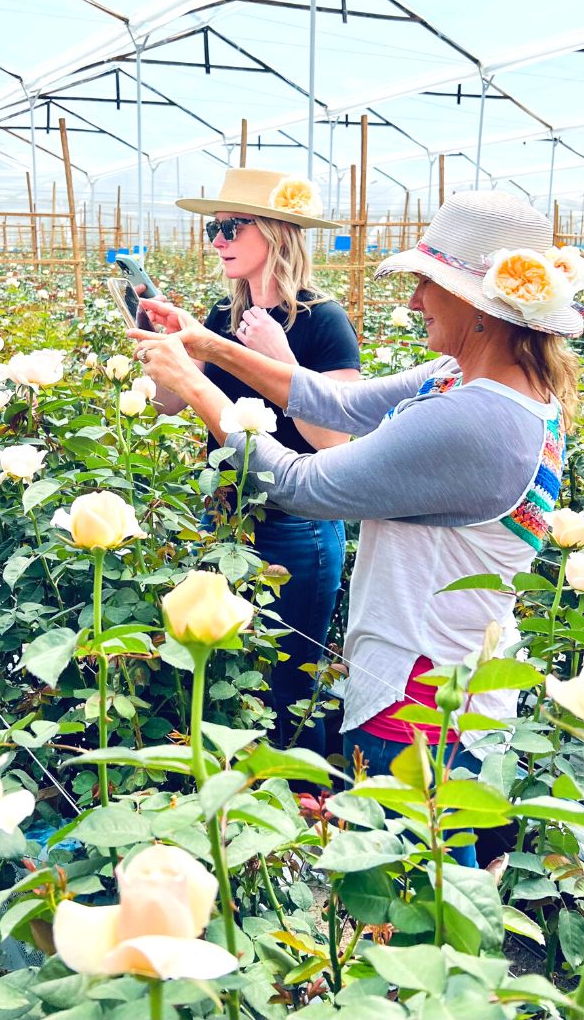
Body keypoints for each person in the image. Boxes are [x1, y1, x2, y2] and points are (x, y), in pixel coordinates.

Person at [133, 192, 584, 863]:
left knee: (409, 905)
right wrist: (204, 344)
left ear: (479, 307)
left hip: (419, 707)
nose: (414, 303)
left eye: (427, 286)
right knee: (431, 901)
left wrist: (197, 389)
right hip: (447, 689)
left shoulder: (475, 418)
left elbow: (301, 485)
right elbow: (336, 400)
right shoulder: (470, 382)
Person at [144, 167, 361, 755]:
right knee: (233, 672)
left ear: (276, 231)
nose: (216, 240)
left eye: (231, 227)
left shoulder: (323, 321)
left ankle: (301, 812)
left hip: (297, 525)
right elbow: (169, 405)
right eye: (213, 228)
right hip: (226, 517)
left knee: (292, 681)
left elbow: (332, 444)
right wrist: (159, 353)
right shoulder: (220, 316)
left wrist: (282, 358)